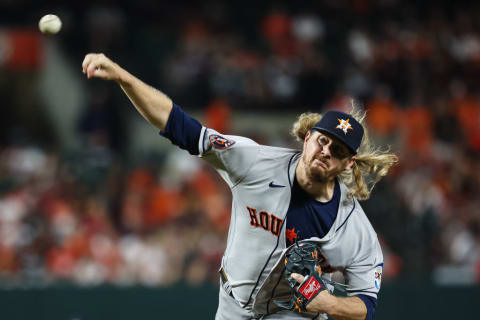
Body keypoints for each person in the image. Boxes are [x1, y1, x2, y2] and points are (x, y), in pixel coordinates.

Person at [82, 53, 398, 320]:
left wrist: (329, 304)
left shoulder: (353, 227)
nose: (326, 151)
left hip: (291, 313)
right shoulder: (254, 161)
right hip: (232, 304)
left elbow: (366, 304)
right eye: (323, 140)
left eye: (338, 151)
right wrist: (123, 77)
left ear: (348, 164)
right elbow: (180, 126)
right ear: (307, 137)